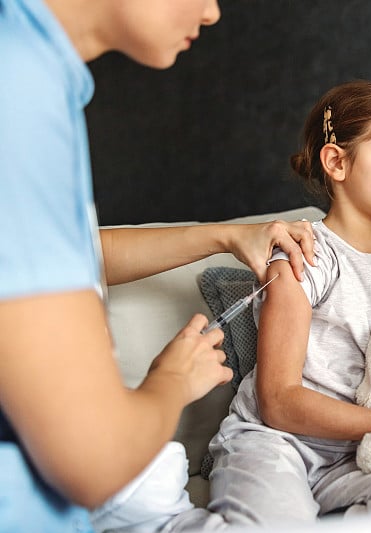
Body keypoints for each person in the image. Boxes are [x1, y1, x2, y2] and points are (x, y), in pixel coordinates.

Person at [0, 0, 315, 531]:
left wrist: (224, 236)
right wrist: (172, 381)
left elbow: (57, 255)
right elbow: (94, 459)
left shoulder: (33, 72)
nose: (213, 13)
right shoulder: (19, 92)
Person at [155, 80, 371, 530]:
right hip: (277, 444)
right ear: (337, 162)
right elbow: (279, 402)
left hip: (362, 459)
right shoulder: (305, 252)